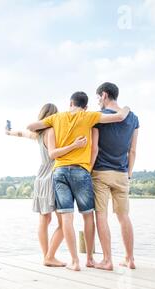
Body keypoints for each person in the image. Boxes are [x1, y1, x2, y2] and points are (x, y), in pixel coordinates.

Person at [27, 92, 130, 271]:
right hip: (81, 171)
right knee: (87, 215)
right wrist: (127, 108)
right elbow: (120, 116)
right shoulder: (88, 116)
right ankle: (89, 258)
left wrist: (49, 122)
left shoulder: (56, 118)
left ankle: (74, 261)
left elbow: (30, 126)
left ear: (70, 103)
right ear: (86, 106)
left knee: (66, 217)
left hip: (58, 172)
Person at [6, 103, 87, 267]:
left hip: (40, 177)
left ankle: (47, 256)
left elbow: (22, 133)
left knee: (44, 220)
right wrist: (74, 146)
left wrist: (9, 132)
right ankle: (49, 256)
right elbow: (54, 153)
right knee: (63, 222)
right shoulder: (51, 131)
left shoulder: (38, 134)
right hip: (52, 175)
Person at [90, 82, 139, 270]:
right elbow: (132, 150)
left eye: (97, 98)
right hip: (122, 173)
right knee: (123, 216)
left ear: (104, 95)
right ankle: (129, 258)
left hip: (101, 172)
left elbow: (94, 148)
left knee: (101, 216)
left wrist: (89, 170)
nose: (98, 102)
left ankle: (107, 260)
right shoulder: (133, 118)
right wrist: (129, 173)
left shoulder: (99, 117)